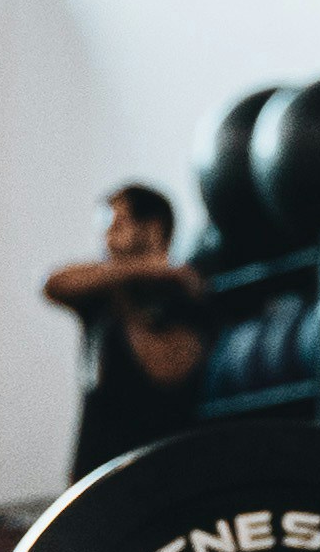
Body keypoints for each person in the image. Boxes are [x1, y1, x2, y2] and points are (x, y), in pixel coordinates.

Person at [43, 183, 213, 481]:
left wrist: (138, 292)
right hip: (92, 477)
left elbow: (168, 371)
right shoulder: (102, 296)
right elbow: (53, 283)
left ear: (152, 229)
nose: (107, 239)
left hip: (156, 476)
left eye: (117, 226)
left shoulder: (181, 296)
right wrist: (142, 269)